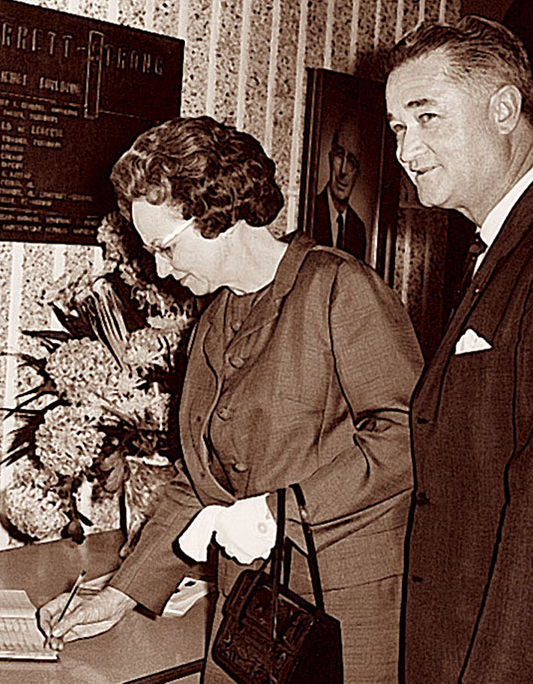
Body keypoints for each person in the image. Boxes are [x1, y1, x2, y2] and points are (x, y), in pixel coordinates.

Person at [38, 116, 422, 683]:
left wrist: (276, 511)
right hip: (244, 610)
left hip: (342, 613)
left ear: (219, 215)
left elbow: (409, 435)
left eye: (167, 247)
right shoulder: (214, 320)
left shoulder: (339, 288)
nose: (162, 270)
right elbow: (200, 481)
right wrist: (119, 594)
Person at [385, 16, 533, 682]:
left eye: (427, 116)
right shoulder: (504, 241)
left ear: (503, 108)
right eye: (398, 128)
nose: (407, 148)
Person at [311, 115, 367, 260]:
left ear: (358, 172)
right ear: (330, 158)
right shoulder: (309, 212)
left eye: (352, 162)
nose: (343, 170)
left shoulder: (358, 229)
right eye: (340, 156)